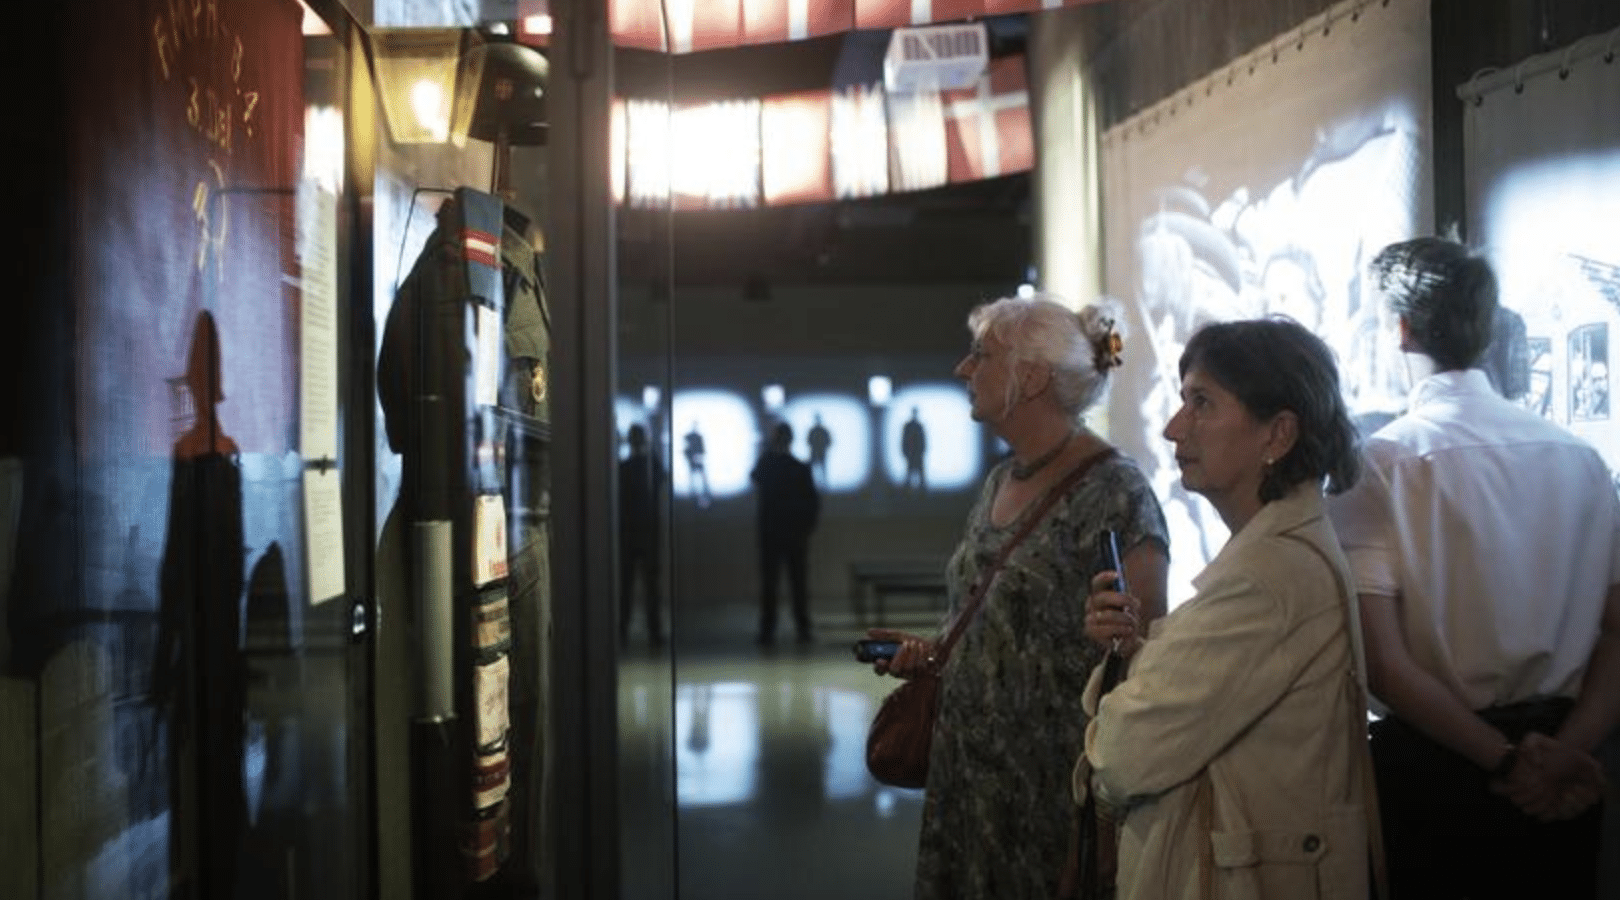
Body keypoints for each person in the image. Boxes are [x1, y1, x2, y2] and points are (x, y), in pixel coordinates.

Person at [1328, 237, 1620, 900]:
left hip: (1438, 768)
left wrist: (1511, 763)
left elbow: (1385, 664)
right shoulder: (1579, 458)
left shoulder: (1381, 462)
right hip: (1565, 764)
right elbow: (1617, 630)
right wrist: (1564, 755)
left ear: (1398, 330)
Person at [869, 294, 1170, 898]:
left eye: (981, 355)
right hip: (971, 785)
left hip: (1053, 795)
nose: (962, 369)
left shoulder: (1117, 492)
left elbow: (1141, 670)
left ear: (1030, 378)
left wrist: (1105, 826)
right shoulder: (1003, 479)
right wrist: (937, 652)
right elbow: (1012, 626)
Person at [1080, 317, 1372, 899]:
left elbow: (1119, 758)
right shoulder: (1278, 555)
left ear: (1277, 434)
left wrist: (1125, 688)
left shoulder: (1267, 578)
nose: (1171, 428)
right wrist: (1135, 656)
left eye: (1202, 404)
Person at [751, 421, 820, 645]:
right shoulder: (799, 468)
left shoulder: (767, 465)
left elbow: (754, 477)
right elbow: (812, 504)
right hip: (794, 536)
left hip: (772, 535)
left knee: (771, 584)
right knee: (797, 583)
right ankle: (802, 628)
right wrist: (805, 529)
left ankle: (768, 630)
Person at [618, 423, 664, 647]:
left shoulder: (623, 467)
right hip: (647, 533)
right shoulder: (651, 465)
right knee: (650, 585)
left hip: (627, 534)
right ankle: (654, 633)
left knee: (625, 586)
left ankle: (622, 632)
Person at [900, 407, 928, 491]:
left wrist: (922, 452)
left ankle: (921, 494)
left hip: (917, 455)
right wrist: (905, 452)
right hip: (911, 455)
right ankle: (907, 494)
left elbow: (923, 441)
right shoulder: (910, 426)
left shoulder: (918, 426)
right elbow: (904, 440)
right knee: (909, 477)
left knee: (920, 479)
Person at [807, 413, 832, 487]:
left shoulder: (822, 431)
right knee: (812, 471)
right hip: (815, 453)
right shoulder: (813, 431)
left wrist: (823, 447)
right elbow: (809, 441)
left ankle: (824, 484)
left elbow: (829, 441)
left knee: (823, 471)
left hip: (821, 453)